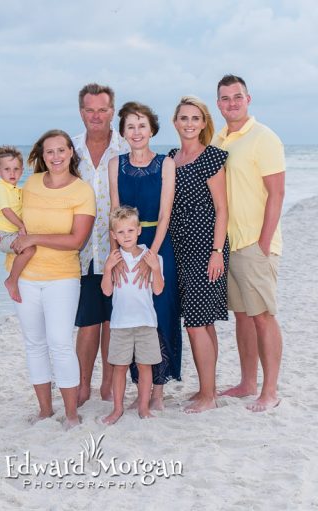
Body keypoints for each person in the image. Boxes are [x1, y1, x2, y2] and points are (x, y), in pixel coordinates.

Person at [7, 129, 95, 429]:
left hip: (62, 277)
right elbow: (6, 208)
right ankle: (45, 410)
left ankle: (71, 414)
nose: (56, 156)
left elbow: (77, 240)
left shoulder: (82, 190)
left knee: (59, 343)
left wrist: (35, 237)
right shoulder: (30, 184)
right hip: (24, 276)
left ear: (71, 152)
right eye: (49, 152)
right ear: (42, 156)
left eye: (61, 150)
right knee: (34, 343)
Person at [211, 75, 285, 412]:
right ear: (218, 104)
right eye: (225, 98)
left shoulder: (263, 138)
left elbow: (277, 193)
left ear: (248, 99)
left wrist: (263, 242)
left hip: (255, 245)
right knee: (242, 316)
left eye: (237, 97)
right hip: (229, 244)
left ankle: (269, 391)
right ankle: (247, 382)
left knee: (262, 317)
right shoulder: (219, 139)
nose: (231, 103)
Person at [107, 101, 181, 411]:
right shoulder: (115, 164)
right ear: (123, 132)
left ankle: (159, 391)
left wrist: (150, 257)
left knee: (160, 314)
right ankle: (138, 390)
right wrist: (116, 258)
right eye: (130, 126)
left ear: (151, 129)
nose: (136, 132)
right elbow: (114, 213)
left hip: (156, 246)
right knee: (129, 314)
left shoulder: (166, 163)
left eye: (142, 125)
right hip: (124, 245)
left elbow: (165, 215)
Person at [168, 96, 230, 414]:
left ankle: (208, 395)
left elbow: (222, 209)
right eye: (184, 118)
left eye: (195, 118)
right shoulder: (170, 159)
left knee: (196, 322)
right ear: (175, 122)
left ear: (204, 123)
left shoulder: (212, 158)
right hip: (178, 247)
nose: (189, 124)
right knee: (203, 323)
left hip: (208, 247)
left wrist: (217, 252)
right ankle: (209, 388)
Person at [72, 83, 130, 406]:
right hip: (79, 252)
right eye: (90, 110)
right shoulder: (69, 149)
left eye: (102, 110)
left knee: (113, 320)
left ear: (112, 112)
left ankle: (108, 385)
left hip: (116, 249)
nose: (96, 116)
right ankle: (83, 385)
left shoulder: (125, 147)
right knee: (87, 321)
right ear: (81, 112)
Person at [101, 206, 164, 424]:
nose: (126, 236)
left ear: (138, 230)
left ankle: (143, 407)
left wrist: (155, 269)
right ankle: (117, 409)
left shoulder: (151, 257)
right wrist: (108, 269)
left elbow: (158, 290)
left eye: (130, 230)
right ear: (113, 235)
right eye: (120, 232)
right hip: (120, 324)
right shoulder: (113, 259)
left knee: (145, 366)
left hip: (146, 322)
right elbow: (107, 291)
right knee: (119, 367)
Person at [0, 145, 35, 303]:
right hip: (3, 236)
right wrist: (22, 226)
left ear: (22, 170)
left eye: (16, 169)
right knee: (29, 249)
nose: (12, 173)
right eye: (7, 169)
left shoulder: (16, 189)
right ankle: (11, 280)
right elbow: (7, 211)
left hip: (12, 233)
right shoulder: (1, 188)